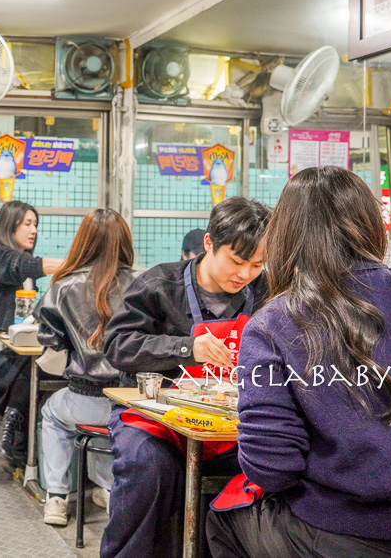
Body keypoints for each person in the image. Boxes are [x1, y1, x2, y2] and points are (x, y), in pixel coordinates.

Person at [207, 167, 391, 557]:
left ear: (284, 235)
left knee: (222, 517)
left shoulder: (273, 323)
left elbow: (271, 466)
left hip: (340, 529)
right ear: (372, 224)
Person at [100, 196, 270, 558]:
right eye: (237, 261)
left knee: (272, 470)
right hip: (152, 418)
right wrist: (185, 348)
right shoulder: (159, 284)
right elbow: (117, 345)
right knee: (149, 471)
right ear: (209, 243)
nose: (245, 275)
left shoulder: (267, 291)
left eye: (257, 264)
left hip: (231, 423)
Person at [34, 208, 135, 526]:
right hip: (130, 403)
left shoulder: (63, 287)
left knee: (51, 413)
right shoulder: (142, 284)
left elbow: (50, 342)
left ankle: (57, 498)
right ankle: (107, 488)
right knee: (108, 427)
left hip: (83, 398)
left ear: (83, 242)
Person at [0, 200, 63, 466]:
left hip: (7, 346)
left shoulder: (21, 260)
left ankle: (13, 437)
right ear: (10, 225)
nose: (34, 230)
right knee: (35, 369)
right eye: (27, 224)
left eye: (36, 225)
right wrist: (74, 264)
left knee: (40, 366)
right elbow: (26, 266)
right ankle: (8, 435)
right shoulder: (0, 255)